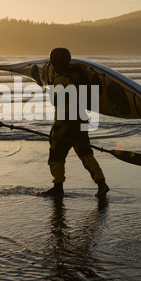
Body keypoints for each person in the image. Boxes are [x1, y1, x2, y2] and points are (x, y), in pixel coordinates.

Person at [43, 47, 110, 198]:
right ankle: (102, 184)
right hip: (81, 120)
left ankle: (58, 186)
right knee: (86, 154)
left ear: (55, 62)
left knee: (56, 155)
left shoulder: (61, 79)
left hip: (65, 123)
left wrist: (50, 85)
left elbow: (56, 101)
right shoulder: (79, 74)